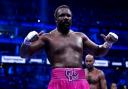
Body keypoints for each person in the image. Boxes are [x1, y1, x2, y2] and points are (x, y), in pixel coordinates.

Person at [20, 5, 118, 89]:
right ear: (56, 19)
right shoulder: (47, 37)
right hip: (58, 82)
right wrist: (27, 41)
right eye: (62, 15)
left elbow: (98, 51)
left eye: (68, 15)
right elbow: (24, 54)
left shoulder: (80, 36)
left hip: (80, 81)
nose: (66, 17)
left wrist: (108, 43)